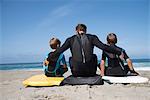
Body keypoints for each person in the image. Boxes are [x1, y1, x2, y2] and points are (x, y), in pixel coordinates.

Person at [45, 24, 123, 77]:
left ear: (76, 31)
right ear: (85, 30)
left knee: (71, 58)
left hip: (76, 73)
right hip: (91, 72)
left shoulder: (70, 39)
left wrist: (48, 58)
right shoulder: (92, 37)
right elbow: (104, 47)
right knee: (94, 56)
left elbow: (59, 51)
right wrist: (118, 51)